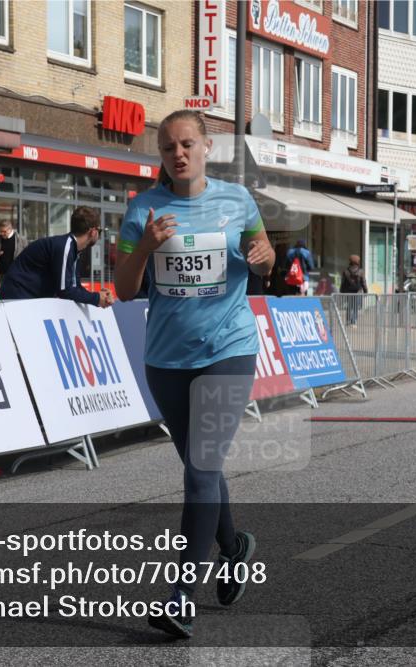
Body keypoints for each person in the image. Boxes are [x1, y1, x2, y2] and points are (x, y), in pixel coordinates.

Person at [114, 110, 275, 639]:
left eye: (186, 144)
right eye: (167, 148)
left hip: (228, 348)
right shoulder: (143, 210)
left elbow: (263, 261)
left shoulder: (237, 201)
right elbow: (125, 290)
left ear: (207, 147)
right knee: (201, 468)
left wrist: (265, 257)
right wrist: (144, 248)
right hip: (166, 360)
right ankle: (233, 548)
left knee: (201, 470)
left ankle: (181, 594)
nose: (177, 154)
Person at [0, 206, 114, 307]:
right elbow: (65, 290)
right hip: (14, 301)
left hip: (23, 300)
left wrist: (98, 296)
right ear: (93, 232)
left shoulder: (72, 248)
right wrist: (97, 298)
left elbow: (74, 286)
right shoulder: (65, 246)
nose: (99, 235)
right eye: (100, 231)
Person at [0, 220, 28, 291]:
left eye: (4, 231)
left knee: (14, 294)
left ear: (10, 229)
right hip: (0, 274)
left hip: (16, 273)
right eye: (0, 231)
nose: (2, 234)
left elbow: (27, 256)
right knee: (1, 295)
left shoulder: (21, 240)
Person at [340, 254, 368, 326]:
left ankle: (348, 321)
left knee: (349, 306)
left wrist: (341, 291)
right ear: (357, 261)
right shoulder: (361, 271)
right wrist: (366, 291)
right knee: (355, 307)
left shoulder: (345, 271)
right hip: (357, 292)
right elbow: (363, 282)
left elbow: (343, 283)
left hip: (348, 292)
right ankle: (354, 321)